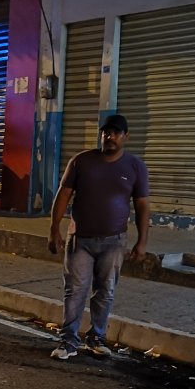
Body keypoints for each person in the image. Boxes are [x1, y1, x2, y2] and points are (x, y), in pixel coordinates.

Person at [48, 114, 150, 361]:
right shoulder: (82, 161)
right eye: (106, 132)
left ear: (126, 136)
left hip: (114, 241)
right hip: (80, 239)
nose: (109, 137)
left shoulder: (135, 166)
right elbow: (63, 196)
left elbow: (143, 206)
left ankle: (97, 338)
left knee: (105, 290)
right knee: (75, 290)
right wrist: (54, 231)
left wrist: (142, 241)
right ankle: (68, 341)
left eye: (115, 133)